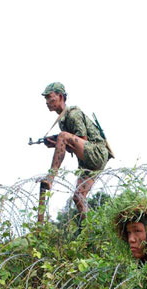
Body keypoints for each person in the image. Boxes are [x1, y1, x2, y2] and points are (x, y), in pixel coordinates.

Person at [39, 82, 111, 225]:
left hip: (95, 152)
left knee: (63, 136)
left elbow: (82, 141)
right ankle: (91, 232)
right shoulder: (63, 121)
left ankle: (51, 177)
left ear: (60, 97)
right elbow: (74, 145)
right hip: (87, 162)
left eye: (50, 98)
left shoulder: (73, 114)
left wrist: (61, 140)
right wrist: (56, 144)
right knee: (78, 197)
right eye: (46, 99)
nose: (47, 102)